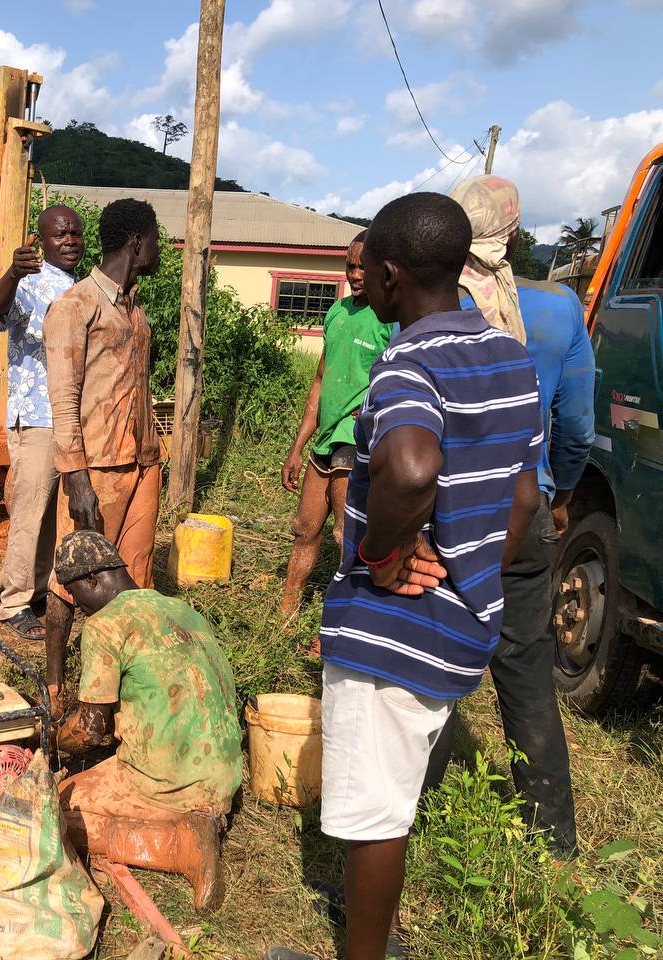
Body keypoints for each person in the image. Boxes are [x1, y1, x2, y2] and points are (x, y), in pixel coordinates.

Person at [265, 193, 542, 960]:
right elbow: (524, 494)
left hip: (396, 631)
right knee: (395, 795)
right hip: (463, 625)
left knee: (371, 816)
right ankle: (374, 933)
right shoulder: (508, 358)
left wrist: (387, 559)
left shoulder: (407, 362)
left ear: (389, 275)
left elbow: (414, 467)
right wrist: (472, 564)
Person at [420, 175, 595, 857]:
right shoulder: (557, 310)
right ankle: (553, 839)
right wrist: (558, 494)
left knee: (432, 671)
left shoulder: (434, 301)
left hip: (447, 515)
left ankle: (415, 818)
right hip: (527, 517)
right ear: (515, 234)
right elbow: (575, 426)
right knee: (526, 671)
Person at [52, 530, 241, 912]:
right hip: (224, 773)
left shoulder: (105, 625)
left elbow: (90, 731)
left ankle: (179, 846)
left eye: (75, 593)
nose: (77, 604)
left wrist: (55, 741)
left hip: (168, 780)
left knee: (51, 808)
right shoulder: (182, 609)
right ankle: (204, 817)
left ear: (92, 579)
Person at [43, 198, 163, 716]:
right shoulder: (76, 306)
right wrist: (76, 476)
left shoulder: (135, 313)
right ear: (137, 242)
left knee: (133, 578)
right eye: (156, 238)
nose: (162, 248)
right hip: (97, 467)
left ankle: (119, 692)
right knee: (74, 577)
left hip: (142, 461)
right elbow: (63, 397)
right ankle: (54, 688)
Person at [279, 230, 394, 623]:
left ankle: (344, 621)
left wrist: (372, 412)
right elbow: (319, 382)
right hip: (325, 441)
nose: (356, 273)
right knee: (305, 527)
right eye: (350, 265)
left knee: (346, 536)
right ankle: (285, 614)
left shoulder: (387, 322)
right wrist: (297, 448)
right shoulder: (337, 313)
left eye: (364, 266)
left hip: (355, 440)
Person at [0, 205, 86, 642]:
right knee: (30, 512)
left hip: (65, 418)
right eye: (60, 235)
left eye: (76, 234)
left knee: (52, 513)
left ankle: (41, 588)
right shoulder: (27, 282)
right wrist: (11, 272)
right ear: (42, 241)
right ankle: (13, 603)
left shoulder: (79, 288)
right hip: (36, 416)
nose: (70, 241)